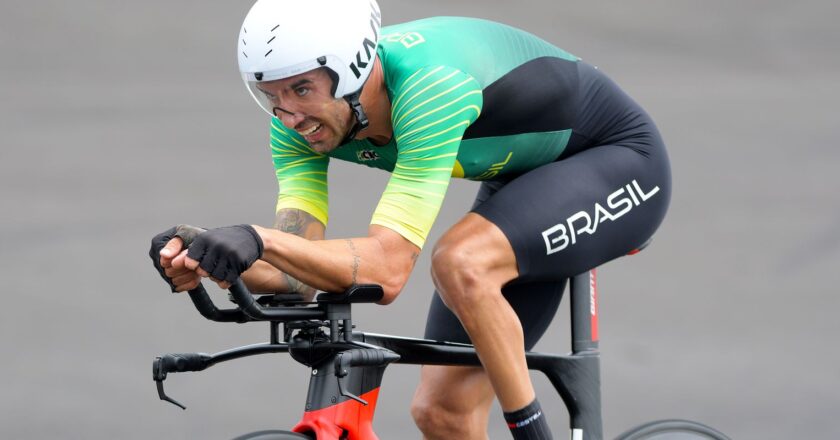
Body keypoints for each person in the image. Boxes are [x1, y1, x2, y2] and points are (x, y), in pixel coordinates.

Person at [150, 0, 671, 438]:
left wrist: (259, 239)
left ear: (353, 68)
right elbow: (294, 275)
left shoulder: (428, 87)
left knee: (462, 261)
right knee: (442, 413)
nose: (289, 117)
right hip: (523, 181)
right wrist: (212, 255)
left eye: (302, 90)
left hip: (618, 162)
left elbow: (387, 270)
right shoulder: (295, 125)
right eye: (272, 96)